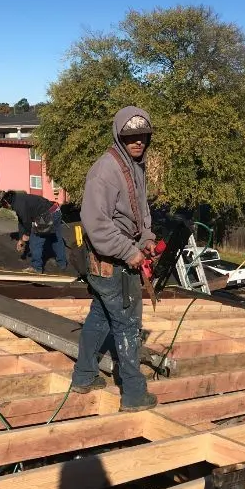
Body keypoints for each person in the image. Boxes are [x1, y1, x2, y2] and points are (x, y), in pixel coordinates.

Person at [70, 106, 158, 412]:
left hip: (119, 259)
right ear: (119, 135)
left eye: (143, 136)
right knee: (128, 326)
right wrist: (130, 251)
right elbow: (96, 224)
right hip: (109, 262)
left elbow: (140, 211)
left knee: (100, 316)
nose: (138, 142)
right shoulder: (105, 171)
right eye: (130, 137)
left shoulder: (134, 166)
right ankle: (134, 394)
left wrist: (146, 240)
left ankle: (83, 377)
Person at [0, 190, 68, 275]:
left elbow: (26, 221)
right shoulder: (18, 198)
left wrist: (27, 234)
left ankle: (36, 267)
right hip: (55, 211)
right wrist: (21, 238)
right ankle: (62, 263)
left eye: (3, 206)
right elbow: (21, 221)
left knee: (35, 240)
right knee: (55, 239)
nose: (4, 207)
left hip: (46, 215)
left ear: (6, 201)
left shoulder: (19, 205)